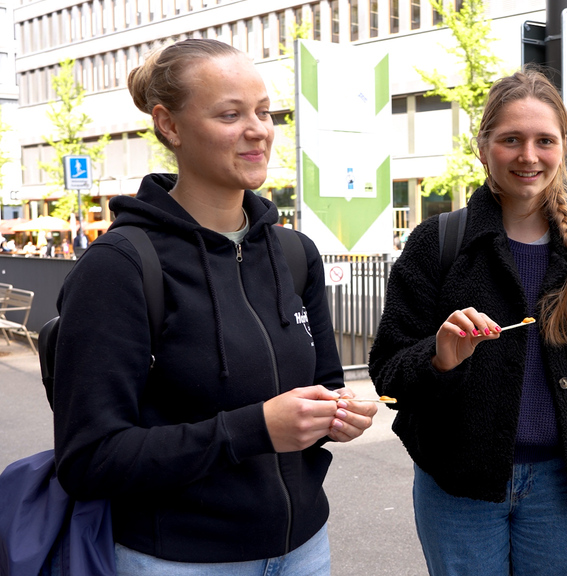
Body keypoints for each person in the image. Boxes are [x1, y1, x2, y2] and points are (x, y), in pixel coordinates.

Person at [52, 39, 377, 574]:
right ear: (170, 125)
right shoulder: (120, 266)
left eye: (264, 111)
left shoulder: (294, 253)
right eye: (230, 114)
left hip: (304, 549)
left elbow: (325, 383)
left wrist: (337, 415)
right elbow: (90, 459)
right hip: (180, 560)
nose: (258, 130)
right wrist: (254, 429)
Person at [368, 68, 567, 576]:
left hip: (563, 491)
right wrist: (439, 359)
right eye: (511, 140)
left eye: (545, 140)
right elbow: (388, 375)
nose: (528, 156)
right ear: (483, 148)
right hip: (457, 489)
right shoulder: (437, 243)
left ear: (562, 148)